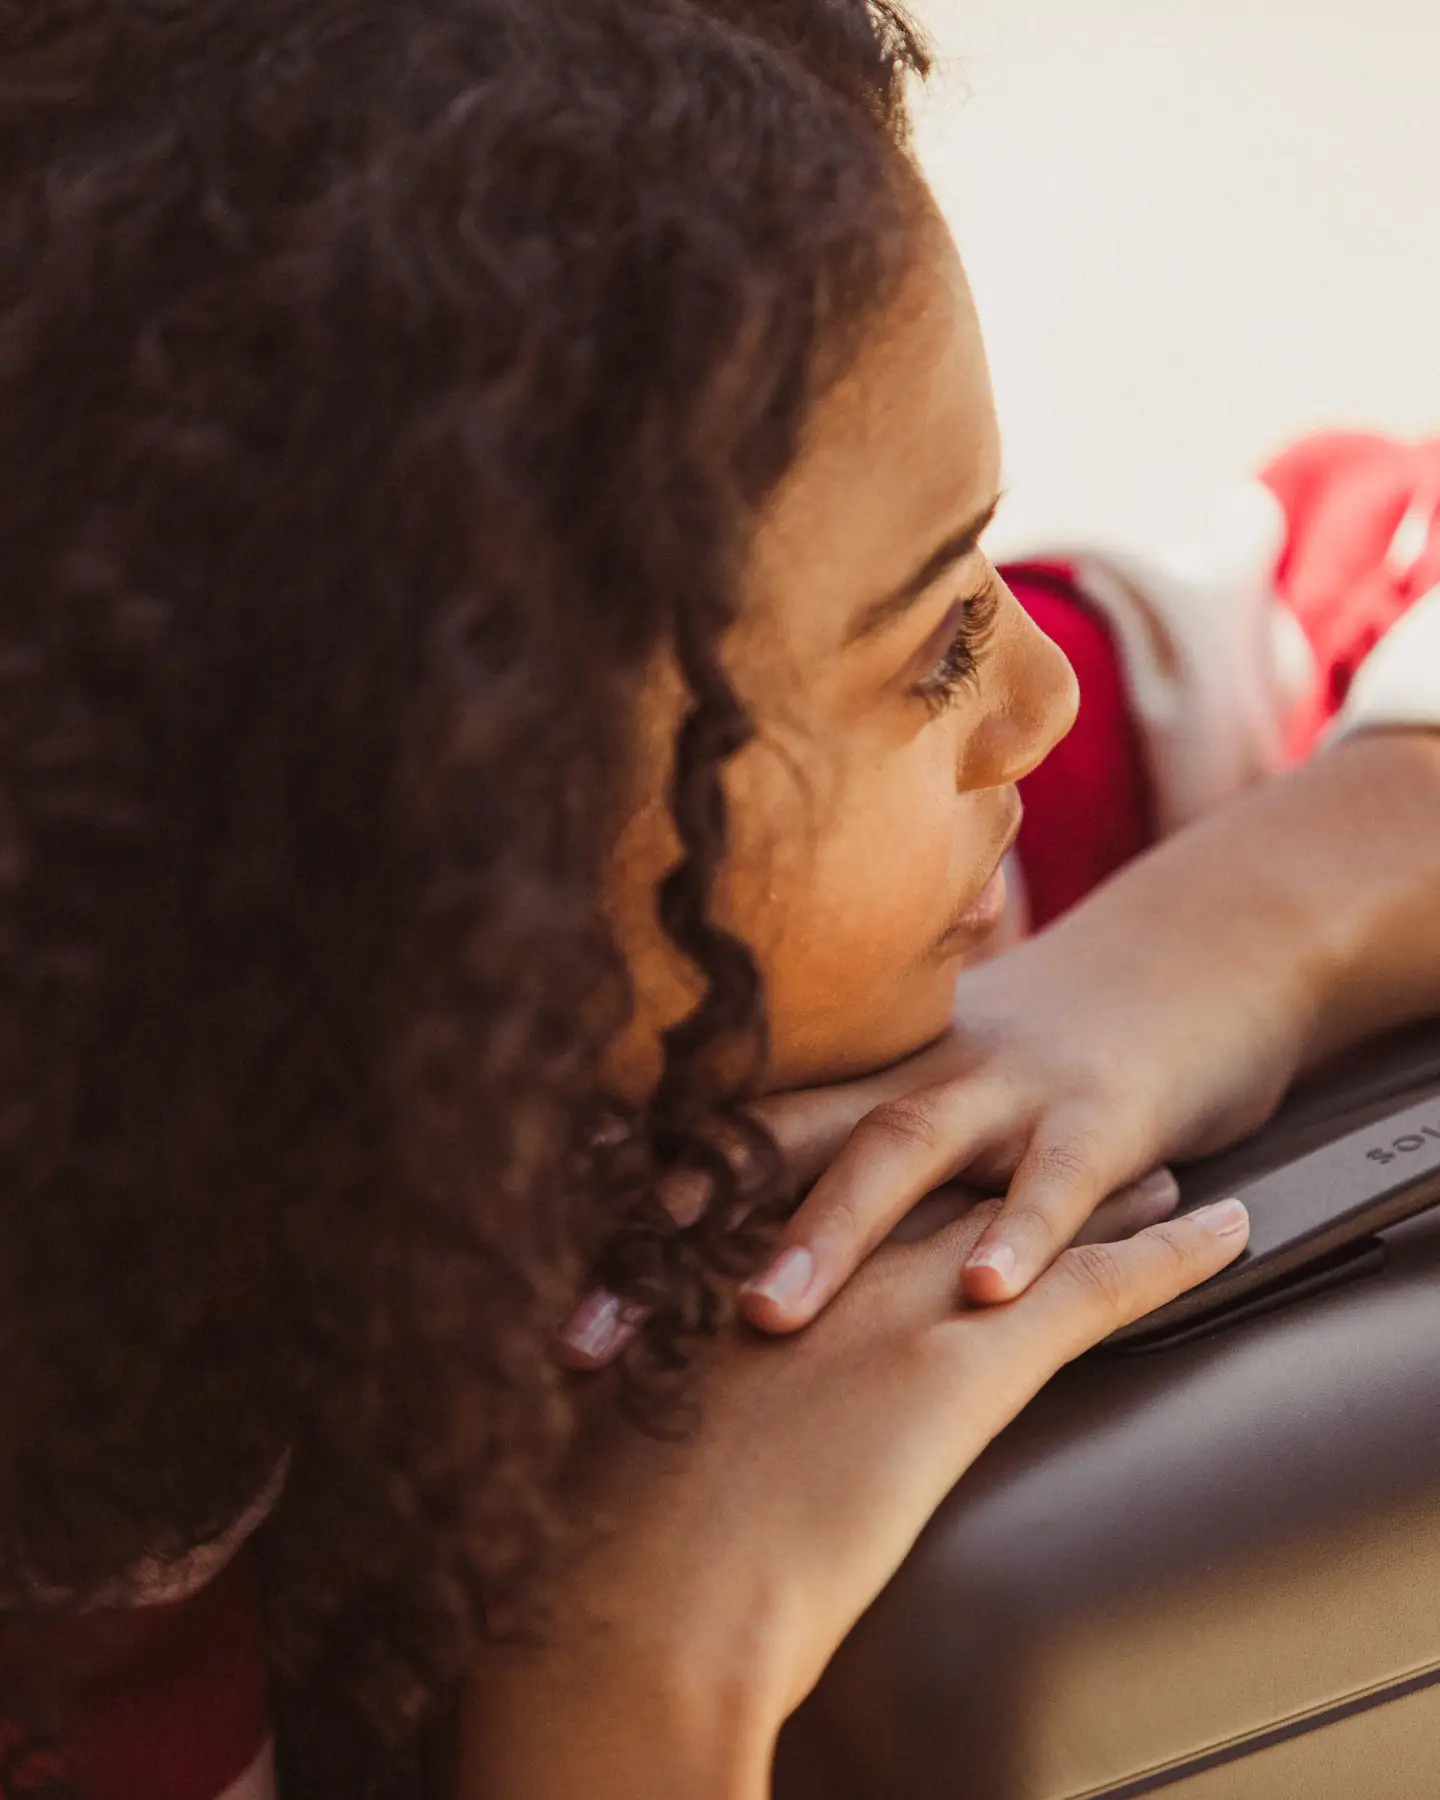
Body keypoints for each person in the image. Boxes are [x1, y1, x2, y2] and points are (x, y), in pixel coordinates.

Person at [0, 3, 1436, 1798]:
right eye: (934, 643)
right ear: (460, 831)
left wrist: (1208, 943)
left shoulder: (925, 884)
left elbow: (1384, 548)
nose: (1038, 700)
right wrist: (634, 1692)